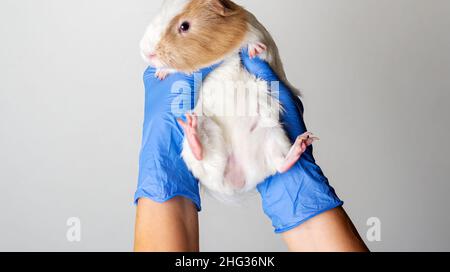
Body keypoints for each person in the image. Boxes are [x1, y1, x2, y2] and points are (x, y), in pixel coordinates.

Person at [133, 48, 368, 252]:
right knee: (210, 134)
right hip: (230, 149)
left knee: (260, 129)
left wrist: (162, 164)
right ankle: (282, 164)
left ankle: (280, 161)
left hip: (245, 144)